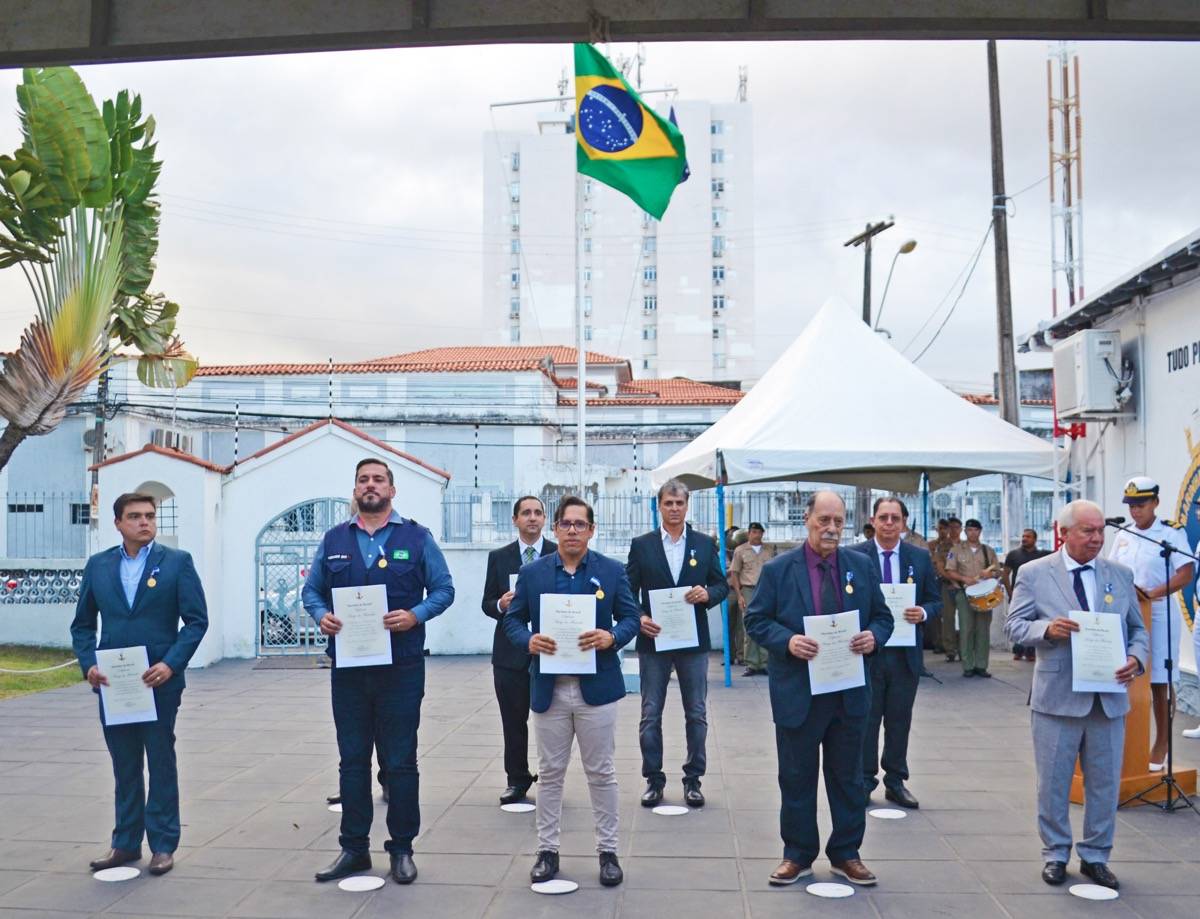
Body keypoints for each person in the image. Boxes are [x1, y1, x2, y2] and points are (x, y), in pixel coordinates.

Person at [303, 458, 455, 885]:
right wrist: (321, 615)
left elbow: (445, 589)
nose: (370, 486)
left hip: (401, 668)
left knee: (401, 761)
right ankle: (353, 849)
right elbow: (311, 591)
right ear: (355, 489)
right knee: (352, 762)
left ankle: (402, 849)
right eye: (363, 480)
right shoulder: (334, 538)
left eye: (378, 479)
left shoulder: (416, 538)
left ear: (392, 489)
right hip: (349, 670)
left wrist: (416, 615)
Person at [745, 491, 893, 888]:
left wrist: (873, 637)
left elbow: (883, 617)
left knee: (848, 778)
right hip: (798, 692)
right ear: (806, 519)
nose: (831, 529)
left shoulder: (861, 566)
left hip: (847, 693)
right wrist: (788, 641)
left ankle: (847, 853)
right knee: (796, 776)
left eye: (839, 522)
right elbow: (755, 620)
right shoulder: (779, 570)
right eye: (824, 520)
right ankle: (797, 854)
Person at [1006, 499, 1147, 891]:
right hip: (1057, 696)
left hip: (1108, 696)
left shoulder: (1119, 574)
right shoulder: (1035, 573)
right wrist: (1047, 630)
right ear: (1063, 533)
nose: (1097, 538)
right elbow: (1015, 627)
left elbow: (1137, 630)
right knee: (1052, 782)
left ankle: (1096, 856)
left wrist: (1136, 658)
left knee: (1103, 783)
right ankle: (1055, 853)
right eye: (1088, 531)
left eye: (1101, 530)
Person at [502, 496, 641, 888]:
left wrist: (611, 636)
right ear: (555, 528)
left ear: (592, 530)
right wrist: (528, 641)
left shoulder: (612, 572)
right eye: (566, 524)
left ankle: (608, 851)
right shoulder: (532, 574)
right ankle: (547, 851)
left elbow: (631, 617)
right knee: (550, 775)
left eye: (581, 525)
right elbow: (513, 623)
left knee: (602, 773)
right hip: (550, 689)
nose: (573, 531)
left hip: (597, 689)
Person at [70, 492, 209, 877]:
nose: (145, 522)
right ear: (118, 523)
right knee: (124, 764)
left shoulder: (177, 563)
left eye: (150, 516)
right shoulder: (98, 566)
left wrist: (171, 663)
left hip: (157, 680)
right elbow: (82, 625)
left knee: (160, 761)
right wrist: (88, 666)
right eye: (135, 516)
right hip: (114, 681)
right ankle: (125, 843)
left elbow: (196, 621)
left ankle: (163, 844)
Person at [626, 480, 729, 809]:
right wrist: (639, 616)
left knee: (696, 713)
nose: (673, 508)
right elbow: (628, 591)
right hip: (653, 640)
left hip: (692, 642)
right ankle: (653, 780)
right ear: (659, 506)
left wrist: (708, 594)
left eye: (679, 503)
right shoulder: (641, 546)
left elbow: (721, 584)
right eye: (668, 503)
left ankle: (693, 779)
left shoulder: (703, 543)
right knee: (649, 714)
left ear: (687, 507)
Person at [852, 497, 940, 809]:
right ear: (872, 521)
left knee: (899, 718)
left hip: (905, 653)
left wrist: (924, 613)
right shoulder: (854, 556)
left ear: (903, 523)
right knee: (867, 718)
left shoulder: (919, 557)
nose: (889, 524)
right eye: (883, 517)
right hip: (869, 652)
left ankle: (896, 780)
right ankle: (864, 780)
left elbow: (935, 599)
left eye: (895, 518)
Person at [1107, 476, 1195, 769]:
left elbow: (1185, 572)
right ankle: (1128, 741)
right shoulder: (1123, 534)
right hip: (1126, 613)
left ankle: (1162, 743)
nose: (1135, 511)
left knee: (1159, 680)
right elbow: (1110, 571)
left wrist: (1153, 593)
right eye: (1131, 506)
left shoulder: (1169, 534)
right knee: (1126, 674)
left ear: (1155, 502)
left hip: (1157, 611)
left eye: (1141, 505)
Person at [481, 495, 556, 804]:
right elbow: (487, 603)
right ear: (515, 520)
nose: (532, 518)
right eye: (526, 513)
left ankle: (552, 778)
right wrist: (501, 603)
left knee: (553, 722)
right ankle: (517, 780)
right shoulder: (500, 557)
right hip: (509, 654)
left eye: (538, 512)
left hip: (551, 650)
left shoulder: (557, 552)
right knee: (513, 721)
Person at [943, 518, 1002, 677]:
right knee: (966, 629)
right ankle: (968, 666)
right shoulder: (956, 550)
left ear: (980, 531)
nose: (972, 533)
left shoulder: (988, 551)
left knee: (983, 630)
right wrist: (964, 579)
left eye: (975, 530)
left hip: (984, 595)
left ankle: (981, 665)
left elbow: (997, 571)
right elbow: (949, 570)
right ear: (965, 531)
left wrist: (990, 573)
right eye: (969, 530)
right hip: (964, 593)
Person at [732, 522, 776, 676]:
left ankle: (764, 663)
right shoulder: (740, 551)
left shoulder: (769, 550)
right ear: (749, 533)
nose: (757, 535)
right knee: (749, 627)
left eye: (760, 532)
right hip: (748, 590)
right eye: (754, 532)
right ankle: (751, 663)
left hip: (765, 590)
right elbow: (735, 573)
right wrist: (739, 595)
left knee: (765, 624)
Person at [1003, 529, 1051, 662]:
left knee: (1034, 623)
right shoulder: (1013, 555)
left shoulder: (1042, 555)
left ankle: (1031, 652)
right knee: (1018, 622)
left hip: (1037, 596)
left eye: (1028, 537)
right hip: (1018, 596)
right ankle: (1018, 651)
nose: (1024, 539)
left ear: (1035, 539)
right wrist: (1010, 592)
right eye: (1023, 536)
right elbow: (1005, 574)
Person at [930, 518, 960, 661]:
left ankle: (963, 649)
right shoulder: (942, 547)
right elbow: (940, 567)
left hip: (963, 587)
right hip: (946, 585)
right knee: (947, 619)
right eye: (951, 527)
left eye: (956, 527)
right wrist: (953, 580)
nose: (953, 530)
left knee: (965, 621)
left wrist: (960, 581)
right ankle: (950, 650)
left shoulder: (965, 546)